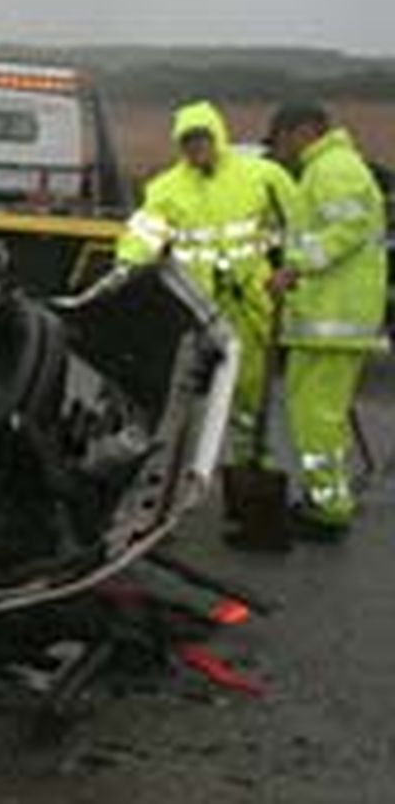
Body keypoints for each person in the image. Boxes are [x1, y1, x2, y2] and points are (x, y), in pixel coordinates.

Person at [116, 101, 298, 448]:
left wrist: (292, 266)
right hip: (192, 304)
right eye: (188, 141)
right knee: (184, 389)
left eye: (202, 138)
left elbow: (299, 225)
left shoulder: (262, 176)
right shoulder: (165, 188)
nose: (196, 147)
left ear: (217, 136)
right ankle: (177, 463)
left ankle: (245, 460)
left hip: (248, 303)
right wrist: (127, 265)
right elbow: (144, 234)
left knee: (248, 389)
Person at [266, 102, 387, 537]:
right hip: (322, 318)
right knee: (312, 414)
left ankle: (329, 507)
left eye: (281, 139)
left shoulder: (334, 167)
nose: (282, 150)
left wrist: (295, 268)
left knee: (317, 417)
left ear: (304, 131)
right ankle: (324, 496)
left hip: (335, 318)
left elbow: (348, 230)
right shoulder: (326, 169)